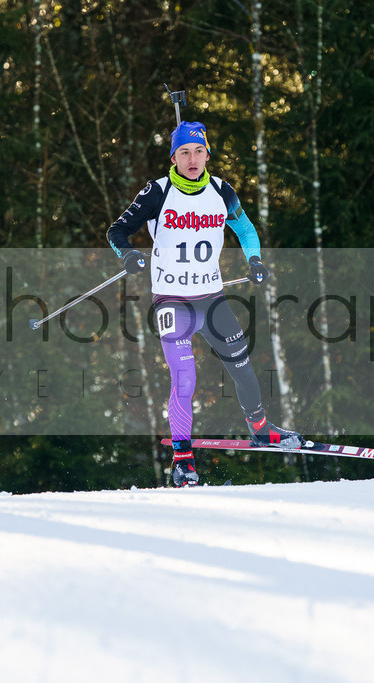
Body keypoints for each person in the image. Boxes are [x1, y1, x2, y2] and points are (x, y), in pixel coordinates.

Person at [107, 120, 302, 487]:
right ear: (174, 156)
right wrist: (128, 254)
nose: (192, 159)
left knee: (242, 365)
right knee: (184, 376)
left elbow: (244, 228)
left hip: (211, 299)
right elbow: (116, 231)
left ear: (207, 155)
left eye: (198, 152)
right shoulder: (157, 192)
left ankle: (260, 428)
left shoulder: (222, 191)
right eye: (184, 152)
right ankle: (182, 463)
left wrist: (255, 261)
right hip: (171, 302)